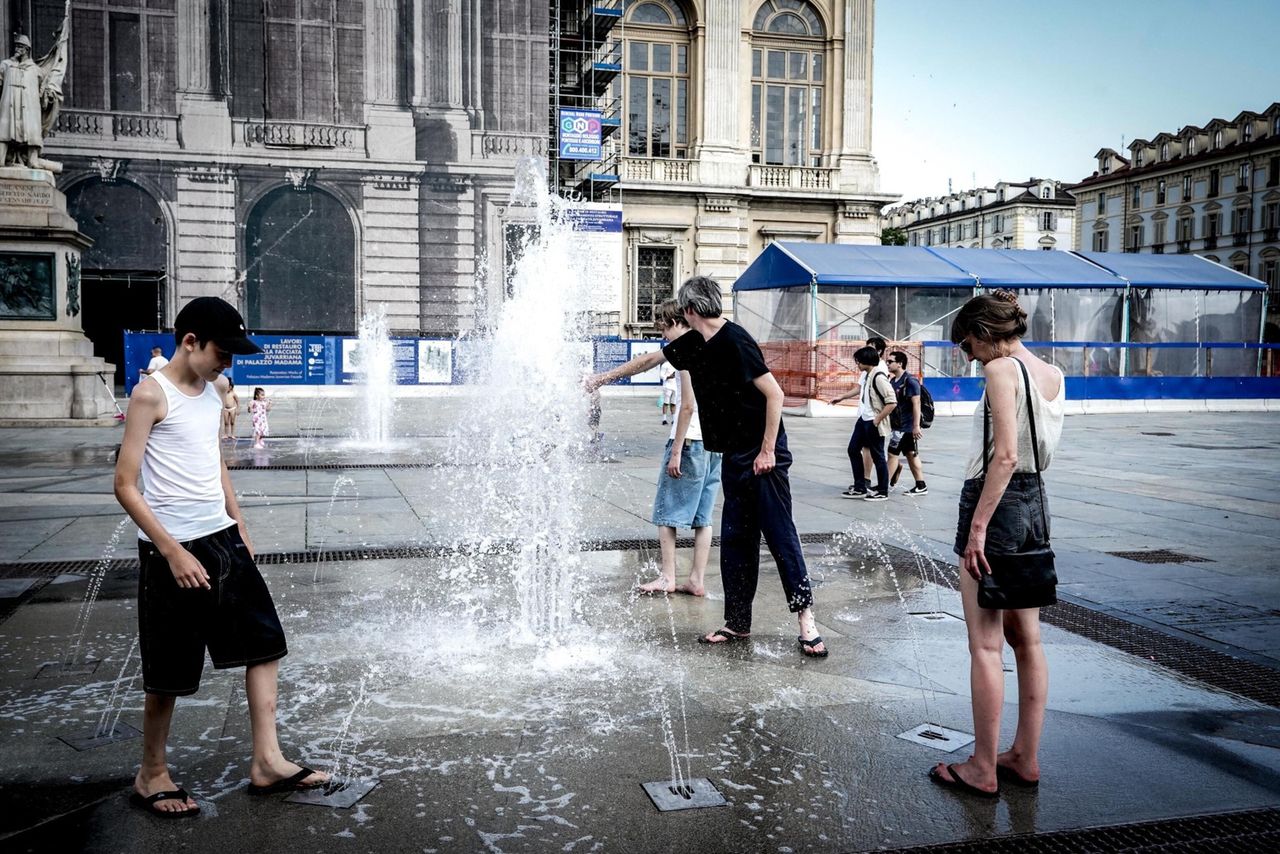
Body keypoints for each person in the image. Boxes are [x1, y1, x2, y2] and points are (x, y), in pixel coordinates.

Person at [113, 297, 326, 818]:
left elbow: (216, 463)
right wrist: (172, 551)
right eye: (221, 352)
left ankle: (268, 761)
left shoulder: (212, 393)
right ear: (190, 342)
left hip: (223, 538)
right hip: (173, 549)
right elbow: (124, 484)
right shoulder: (150, 394)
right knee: (170, 667)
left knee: (264, 643)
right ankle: (152, 773)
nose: (227, 363)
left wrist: (240, 523)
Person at [588, 276, 827, 657]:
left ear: (690, 310)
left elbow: (775, 395)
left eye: (682, 308)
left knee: (780, 537)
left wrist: (767, 451)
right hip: (733, 454)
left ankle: (806, 621)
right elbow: (652, 358)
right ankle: (737, 623)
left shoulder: (735, 340)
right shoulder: (696, 342)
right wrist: (603, 378)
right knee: (736, 540)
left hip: (763, 456)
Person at [929, 289, 1064, 799]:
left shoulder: (1000, 370)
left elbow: (1004, 457)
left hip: (996, 502)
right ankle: (1024, 757)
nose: (968, 356)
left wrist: (979, 527)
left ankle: (983, 768)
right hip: (1035, 504)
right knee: (1027, 640)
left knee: (984, 644)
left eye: (966, 345)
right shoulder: (1052, 373)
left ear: (985, 334)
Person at [638, 299, 722, 597]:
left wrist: (675, 451)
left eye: (664, 327)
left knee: (666, 513)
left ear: (677, 321)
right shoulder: (712, 346)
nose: (663, 335)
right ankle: (696, 580)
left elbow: (686, 406)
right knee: (703, 518)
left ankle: (668, 577)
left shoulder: (686, 350)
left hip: (689, 442)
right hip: (713, 445)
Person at [835, 347, 895, 501]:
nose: (857, 364)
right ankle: (860, 486)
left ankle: (883, 490)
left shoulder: (879, 377)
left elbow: (892, 402)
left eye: (859, 361)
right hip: (864, 419)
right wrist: (841, 397)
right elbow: (858, 390)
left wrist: (877, 419)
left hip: (873, 421)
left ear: (867, 360)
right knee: (853, 449)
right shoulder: (867, 375)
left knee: (878, 456)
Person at [886, 350, 927, 495]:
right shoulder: (893, 381)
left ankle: (883, 487)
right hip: (898, 425)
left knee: (892, 454)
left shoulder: (910, 381)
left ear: (900, 363)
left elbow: (917, 404)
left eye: (890, 361)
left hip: (906, 426)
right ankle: (921, 485)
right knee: (911, 454)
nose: (888, 364)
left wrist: (916, 426)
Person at [659, 360, 677, 425]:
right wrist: (670, 376)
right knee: (666, 403)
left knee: (674, 403)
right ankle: (664, 420)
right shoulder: (665, 364)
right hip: (667, 386)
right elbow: (661, 376)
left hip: (676, 387)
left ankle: (674, 420)